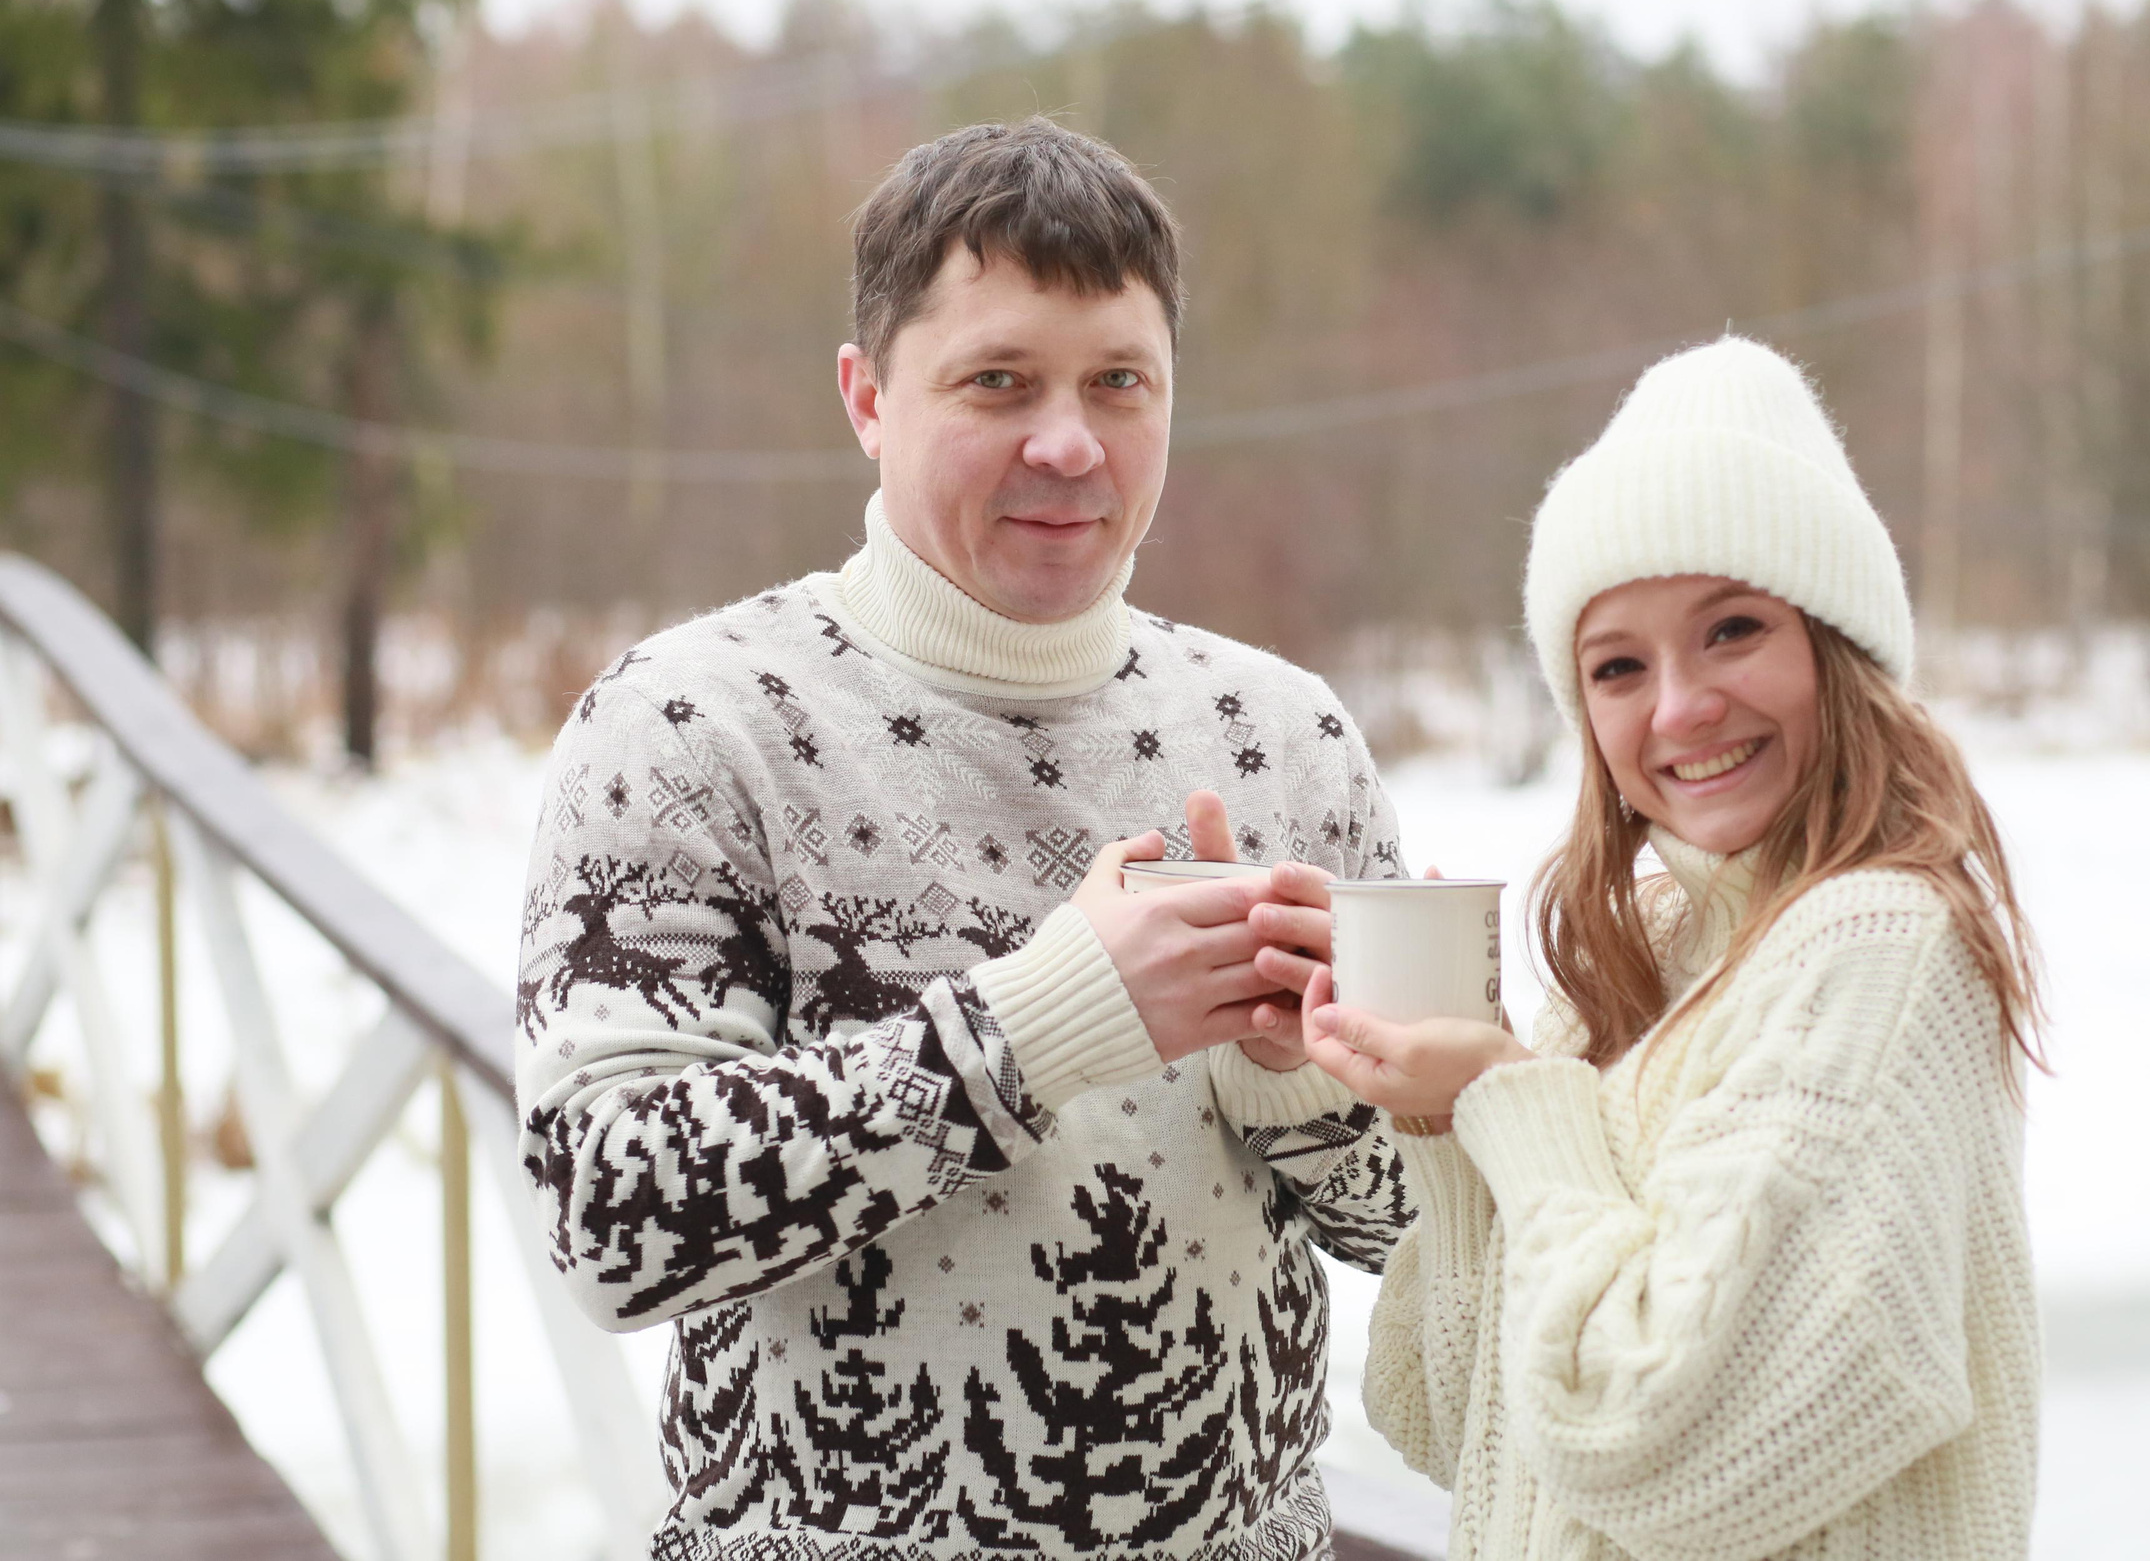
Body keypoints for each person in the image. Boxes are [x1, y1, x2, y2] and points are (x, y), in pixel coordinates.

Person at [514, 118, 1410, 1560]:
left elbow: (1426, 1227)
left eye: (1121, 382)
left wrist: (1295, 1087)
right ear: (868, 397)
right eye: (998, 382)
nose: (1069, 442)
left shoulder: (1284, 734)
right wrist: (1034, 1027)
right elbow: (608, 1214)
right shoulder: (690, 723)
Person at [1249, 337, 2044, 1559]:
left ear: (1838, 650)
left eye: (1732, 630)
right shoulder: (1645, 962)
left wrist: (1511, 1100)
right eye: (1618, 665)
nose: (1678, 708)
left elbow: (1645, 1439)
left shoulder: (1875, 944)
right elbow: (1454, 1416)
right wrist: (1437, 1121)